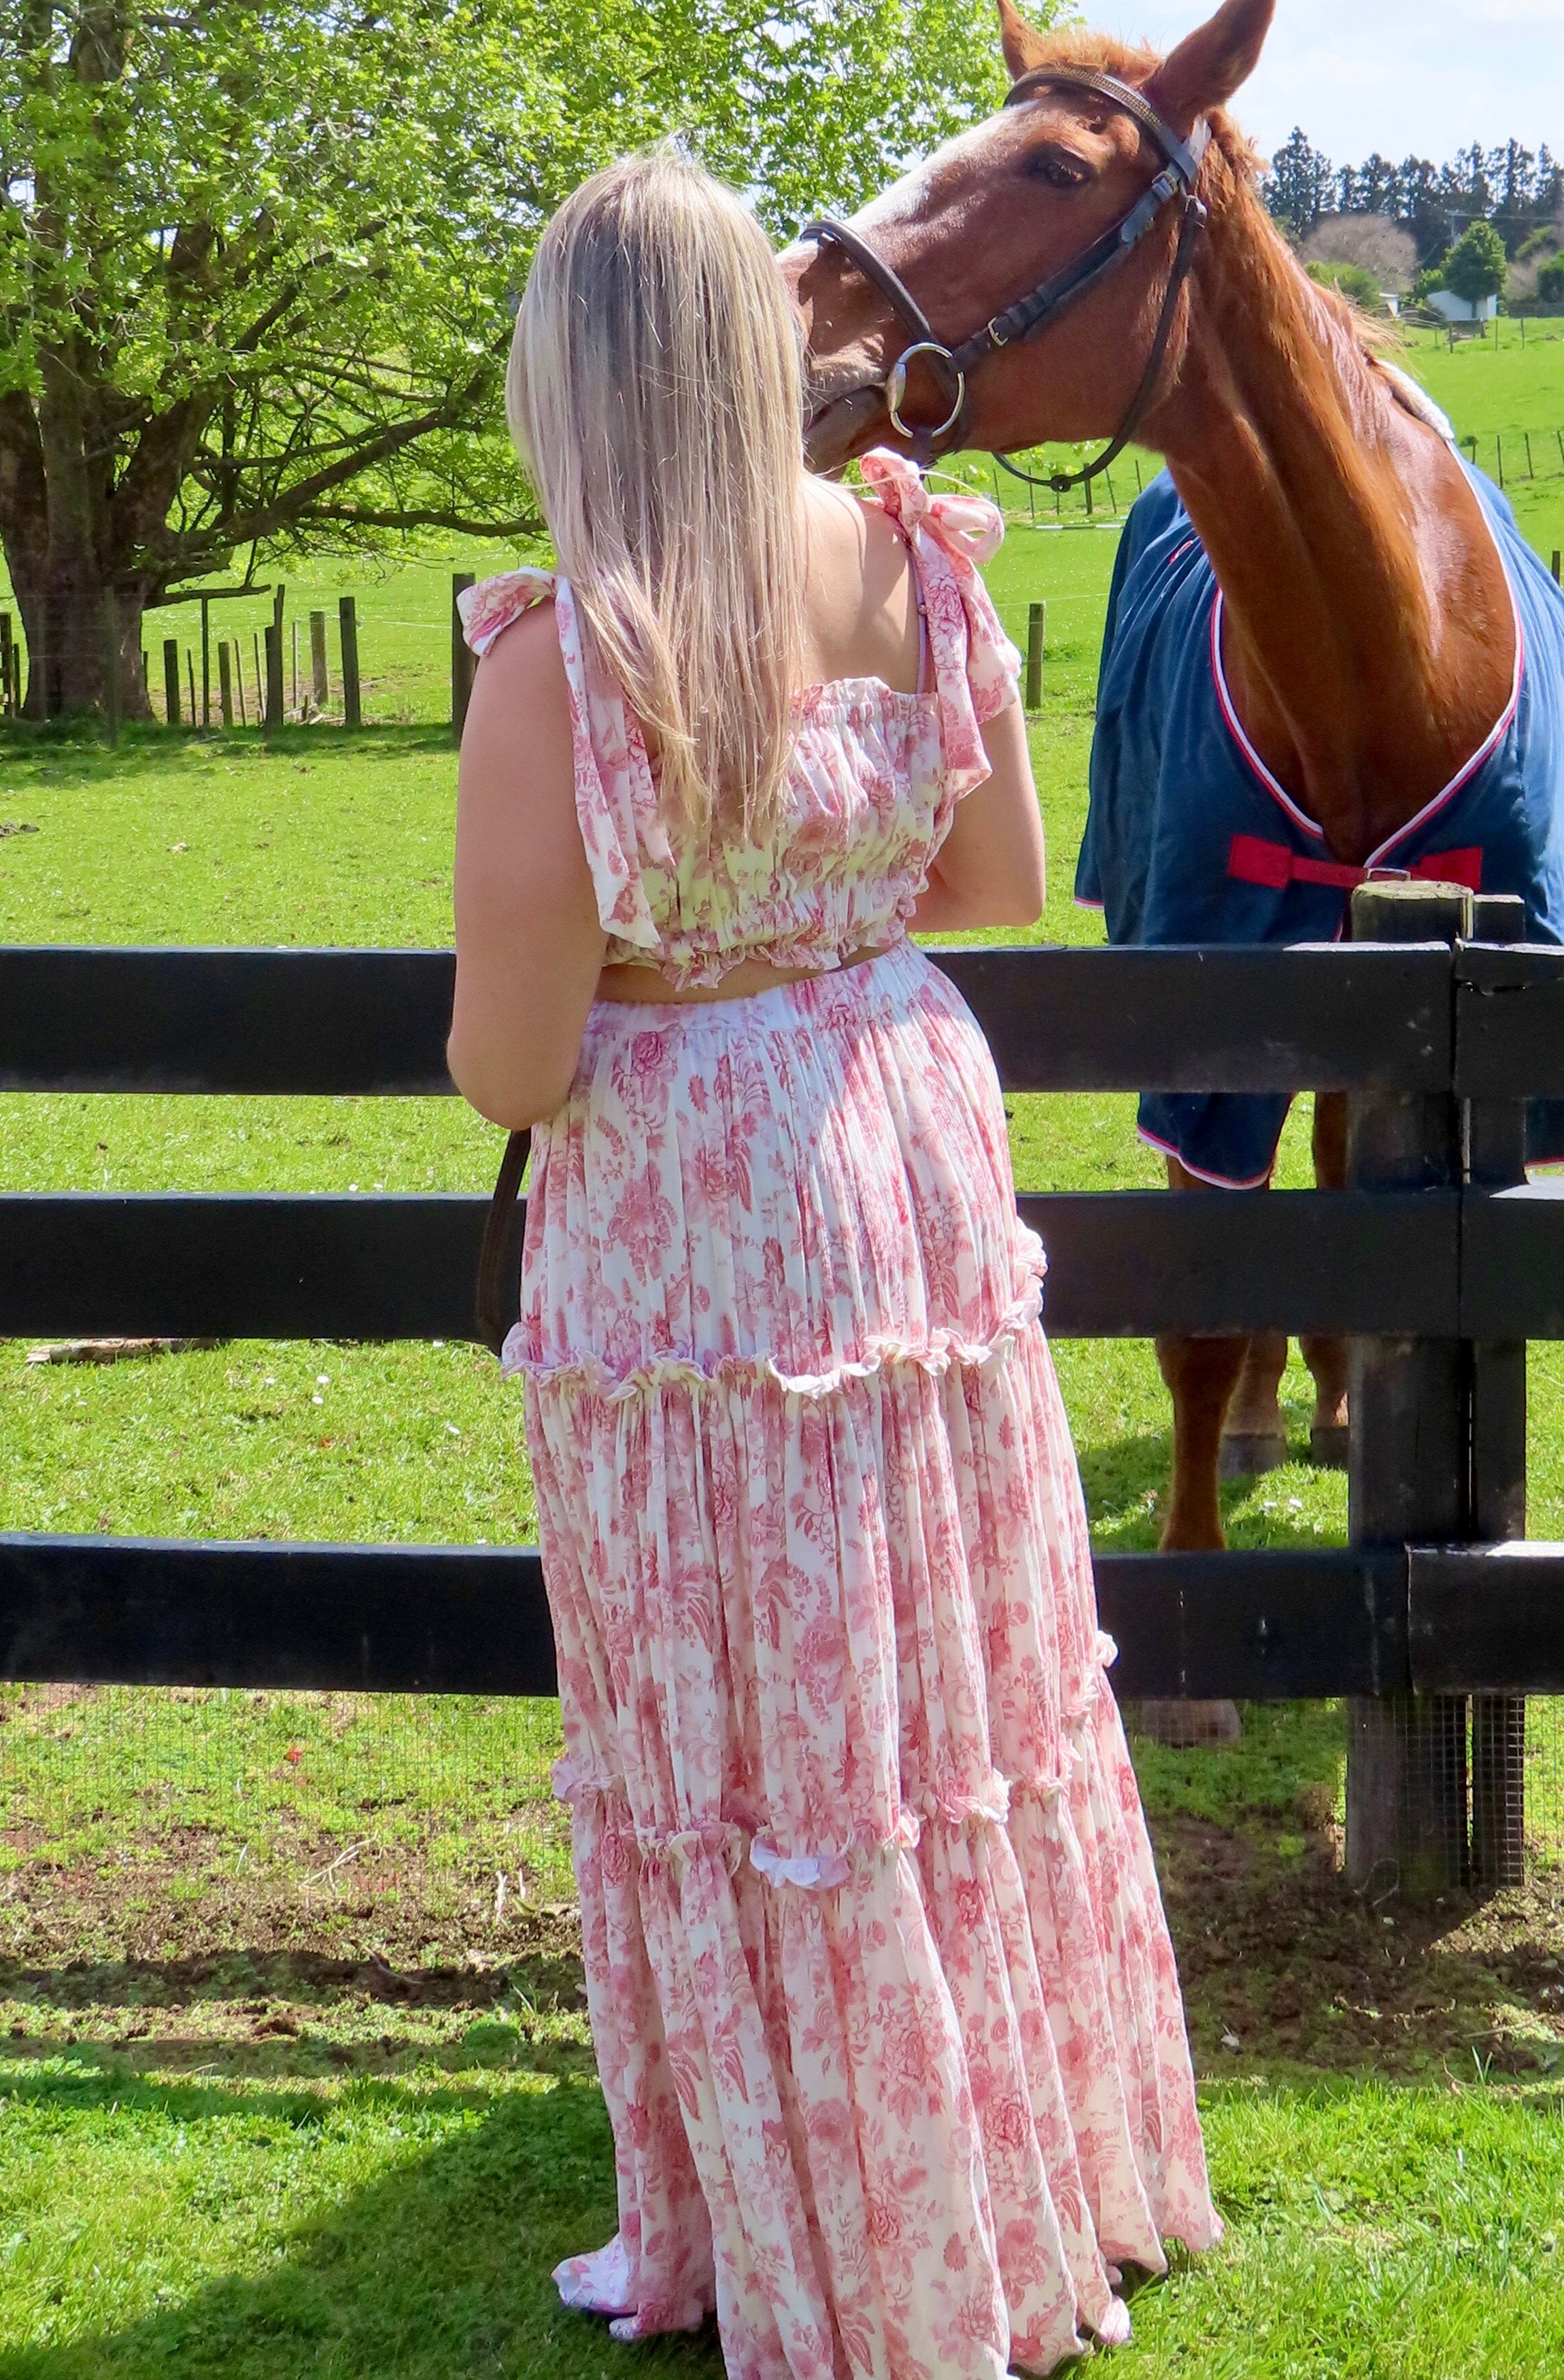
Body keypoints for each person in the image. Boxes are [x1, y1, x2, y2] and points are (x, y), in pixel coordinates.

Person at [449, 151, 1219, 2378]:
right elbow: (996, 889)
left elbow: (511, 1064)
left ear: (573, 381)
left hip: (691, 1209)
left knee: (757, 1744)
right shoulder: (906, 563)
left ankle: (828, 2241)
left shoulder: (570, 653)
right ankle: (1011, 2193)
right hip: (899, 1139)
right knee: (950, 1705)